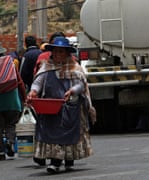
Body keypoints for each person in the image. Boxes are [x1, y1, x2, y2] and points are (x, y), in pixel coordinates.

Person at [27, 37, 96, 173]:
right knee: (54, 134)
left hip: (71, 108)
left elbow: (81, 85)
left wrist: (72, 91)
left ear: (67, 53)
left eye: (61, 52)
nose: (58, 55)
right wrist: (33, 92)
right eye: (56, 51)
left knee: (70, 134)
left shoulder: (75, 68)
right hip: (52, 109)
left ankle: (69, 159)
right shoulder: (46, 67)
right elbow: (38, 82)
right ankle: (55, 162)